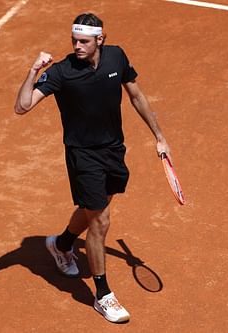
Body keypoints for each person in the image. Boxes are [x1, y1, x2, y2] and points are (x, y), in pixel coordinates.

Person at [14, 13, 171, 323]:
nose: (77, 46)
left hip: (113, 149)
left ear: (100, 39)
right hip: (82, 154)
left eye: (84, 41)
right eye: (74, 40)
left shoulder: (117, 56)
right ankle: (103, 295)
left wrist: (160, 137)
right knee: (100, 220)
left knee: (94, 209)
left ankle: (61, 245)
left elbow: (136, 95)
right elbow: (22, 106)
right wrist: (33, 71)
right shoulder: (61, 72)